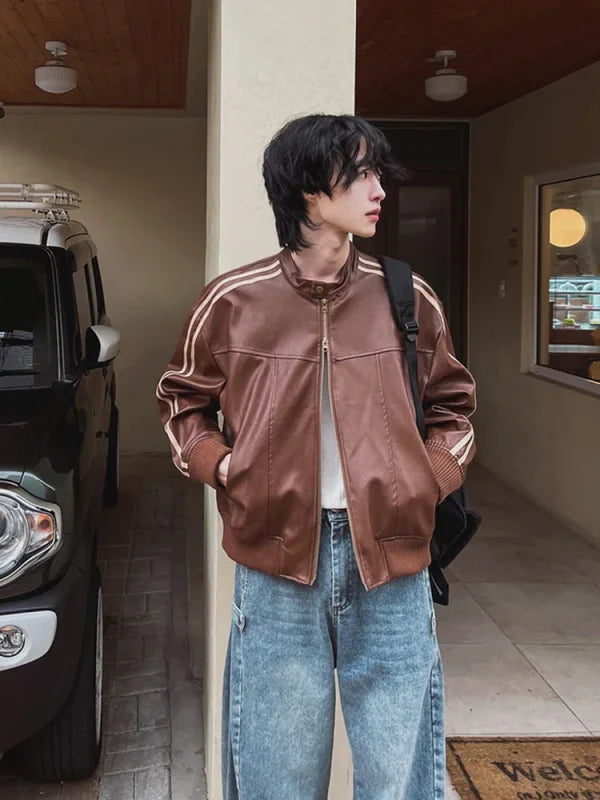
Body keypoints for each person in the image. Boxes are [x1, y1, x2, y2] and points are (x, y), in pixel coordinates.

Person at [157, 113, 476, 800]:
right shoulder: (233, 301)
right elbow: (181, 403)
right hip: (276, 570)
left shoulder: (405, 297)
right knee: (279, 775)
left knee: (399, 778)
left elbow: (455, 408)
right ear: (306, 188)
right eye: (359, 172)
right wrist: (223, 465)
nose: (378, 188)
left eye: (377, 173)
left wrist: (427, 478)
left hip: (391, 565)